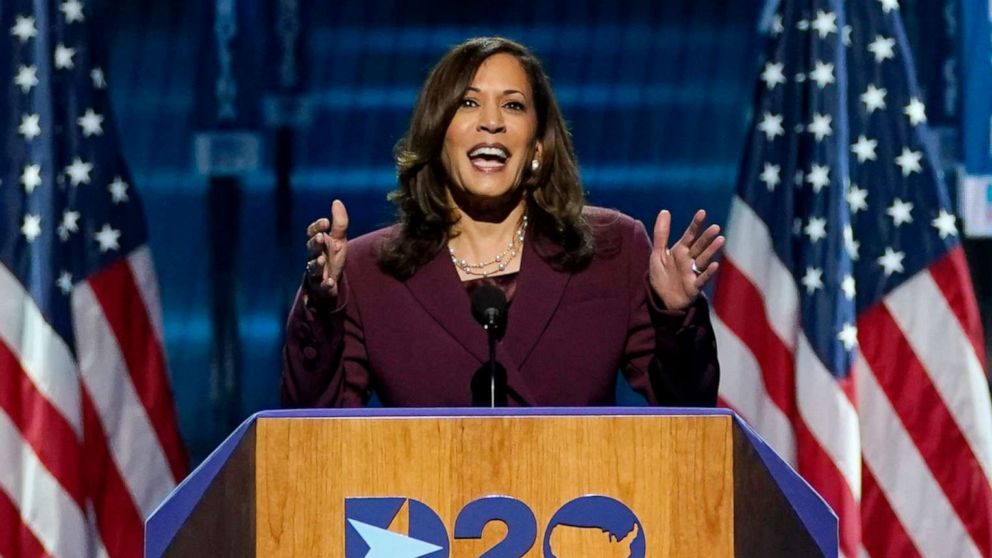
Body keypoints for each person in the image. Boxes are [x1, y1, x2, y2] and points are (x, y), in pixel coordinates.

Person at [281, 36, 723, 408]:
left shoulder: (612, 249)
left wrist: (676, 315)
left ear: (537, 148)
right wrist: (322, 306)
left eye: (513, 106)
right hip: (430, 509)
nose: (491, 122)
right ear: (438, 138)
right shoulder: (368, 270)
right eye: (468, 103)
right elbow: (314, 431)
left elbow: (684, 412)